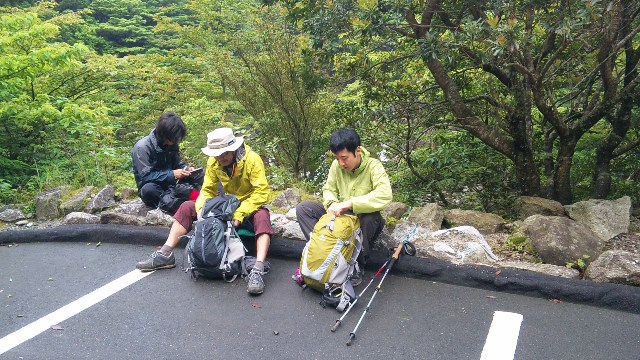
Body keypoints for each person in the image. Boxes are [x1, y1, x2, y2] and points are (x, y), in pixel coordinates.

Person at [136, 127, 273, 295]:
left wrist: (240, 213)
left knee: (262, 216)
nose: (220, 158)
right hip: (226, 203)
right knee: (187, 206)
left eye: (224, 154)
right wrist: (202, 209)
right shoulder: (214, 162)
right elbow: (207, 190)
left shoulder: (252, 159)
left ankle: (258, 269)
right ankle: (165, 253)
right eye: (216, 155)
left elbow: (262, 192)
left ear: (233, 149)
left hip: (248, 204)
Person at [296, 128, 392, 285]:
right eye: (337, 158)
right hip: (339, 215)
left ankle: (356, 265)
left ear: (358, 151)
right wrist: (332, 202)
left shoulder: (374, 166)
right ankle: (320, 252)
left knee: (372, 218)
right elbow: (328, 188)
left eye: (344, 158)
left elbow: (385, 194)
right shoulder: (336, 165)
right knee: (304, 208)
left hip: (361, 216)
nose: (341, 163)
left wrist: (351, 203)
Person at [131, 112, 203, 209]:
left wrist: (186, 169)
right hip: (154, 185)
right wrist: (172, 174)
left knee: (200, 175)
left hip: (173, 182)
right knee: (148, 190)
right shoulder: (142, 147)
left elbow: (177, 164)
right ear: (164, 134)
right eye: (175, 138)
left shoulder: (172, 144)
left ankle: (202, 198)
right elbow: (145, 177)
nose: (176, 141)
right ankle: (181, 206)